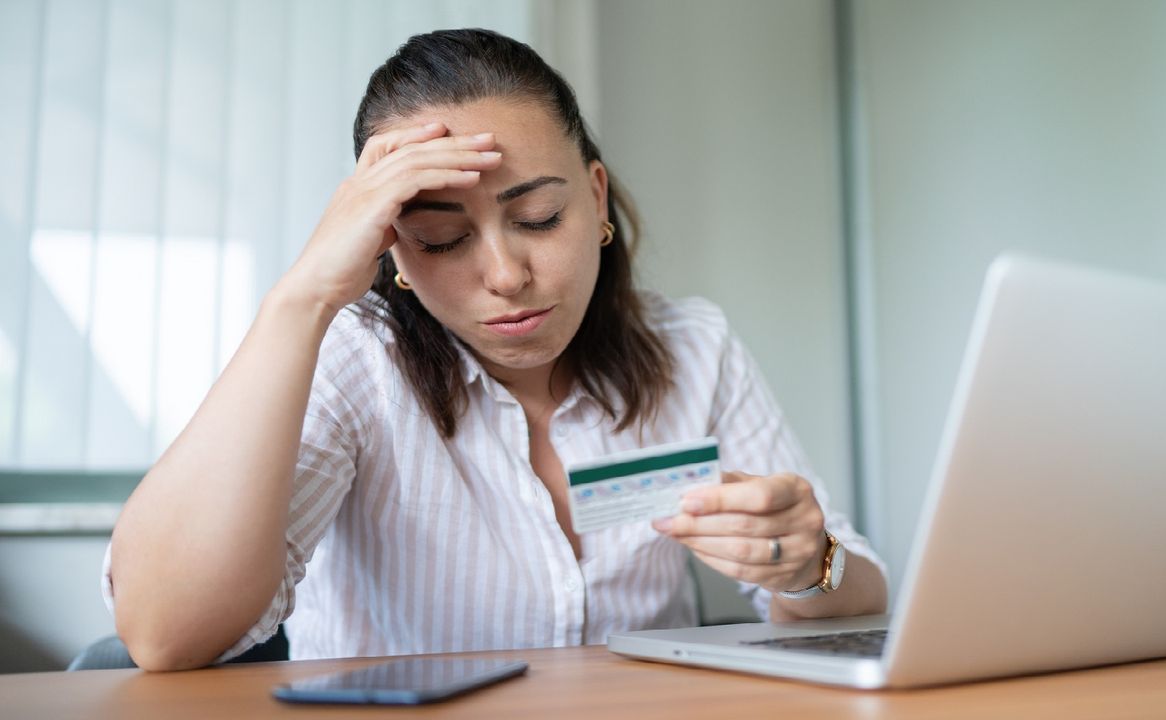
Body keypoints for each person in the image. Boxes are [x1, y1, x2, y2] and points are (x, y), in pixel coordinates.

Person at [104, 28, 888, 672]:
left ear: (596, 196)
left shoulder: (693, 348)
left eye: (541, 218)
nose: (507, 276)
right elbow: (166, 634)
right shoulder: (356, 360)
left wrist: (807, 563)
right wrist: (302, 295)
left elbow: (857, 598)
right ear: (392, 250)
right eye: (441, 239)